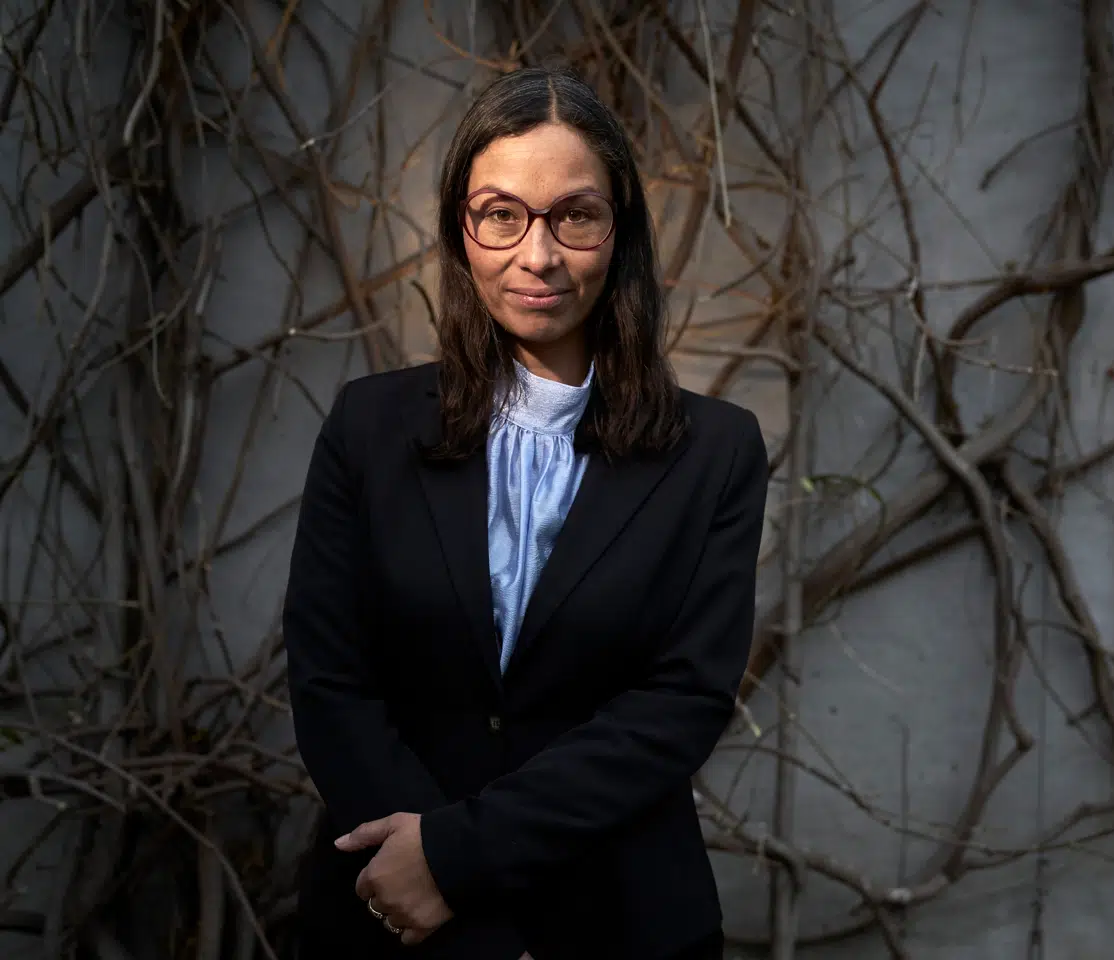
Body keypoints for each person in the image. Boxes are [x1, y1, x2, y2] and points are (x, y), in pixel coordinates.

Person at [281, 66, 768, 960]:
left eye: (574, 216)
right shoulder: (367, 427)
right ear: (460, 229)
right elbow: (329, 681)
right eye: (501, 214)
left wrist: (459, 859)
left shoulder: (715, 452)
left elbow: (681, 702)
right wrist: (432, 886)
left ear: (619, 230)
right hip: (393, 919)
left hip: (618, 922)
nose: (537, 256)